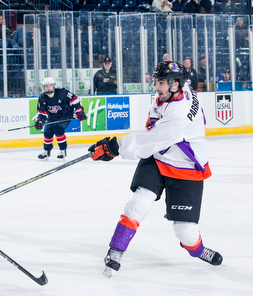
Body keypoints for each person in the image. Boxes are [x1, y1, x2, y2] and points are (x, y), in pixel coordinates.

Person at [88, 61, 223, 278]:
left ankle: (198, 250)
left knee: (185, 232)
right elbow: (153, 138)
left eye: (161, 82)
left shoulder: (180, 111)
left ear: (175, 84)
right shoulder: (175, 92)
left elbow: (153, 138)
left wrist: (114, 147)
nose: (156, 87)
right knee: (139, 202)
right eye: (157, 81)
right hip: (160, 156)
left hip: (186, 167)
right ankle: (115, 251)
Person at [35, 77, 86, 160]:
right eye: (46, 86)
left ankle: (62, 151)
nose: (48, 88)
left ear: (53, 86)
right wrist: (39, 120)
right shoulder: (42, 97)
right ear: (43, 87)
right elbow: (42, 112)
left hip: (65, 116)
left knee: (58, 130)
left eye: (50, 86)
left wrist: (79, 110)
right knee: (47, 132)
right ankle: (46, 151)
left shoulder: (62, 93)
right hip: (52, 118)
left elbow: (75, 100)